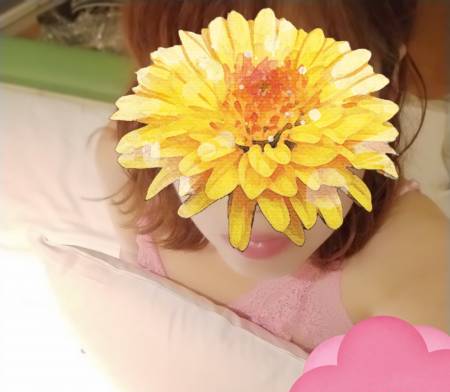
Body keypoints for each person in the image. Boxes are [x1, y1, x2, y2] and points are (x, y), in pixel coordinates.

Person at [99, 0, 448, 355]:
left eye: (310, 120)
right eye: (210, 125)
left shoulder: (419, 264)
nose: (257, 201)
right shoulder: (126, 166)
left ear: (386, 82)